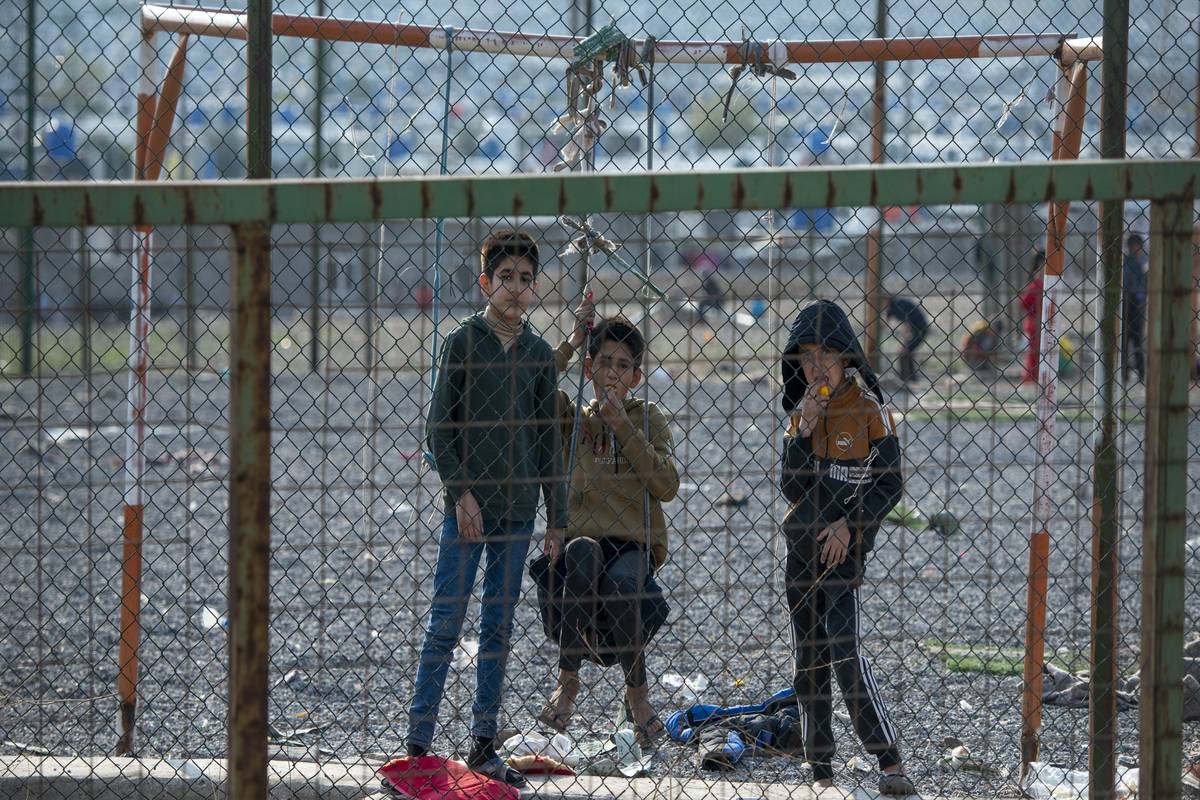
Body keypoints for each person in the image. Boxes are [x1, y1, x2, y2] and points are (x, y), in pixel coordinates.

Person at [406, 229, 566, 787]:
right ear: (485, 282)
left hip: (519, 512)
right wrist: (462, 494)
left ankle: (483, 743)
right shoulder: (463, 342)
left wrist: (558, 517)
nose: (516, 289)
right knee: (446, 620)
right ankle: (418, 744)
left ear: (536, 286)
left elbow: (549, 443)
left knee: (497, 626)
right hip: (468, 511)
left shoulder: (540, 355)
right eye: (505, 278)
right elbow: (439, 428)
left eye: (525, 280)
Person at [779, 301, 914, 797]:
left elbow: (889, 485)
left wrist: (849, 526)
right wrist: (806, 426)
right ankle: (821, 769)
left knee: (845, 652)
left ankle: (888, 760)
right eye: (808, 356)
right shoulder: (800, 419)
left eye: (827, 355)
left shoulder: (871, 412)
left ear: (849, 359)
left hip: (845, 556)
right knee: (808, 659)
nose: (817, 366)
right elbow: (790, 488)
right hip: (801, 556)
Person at [535, 314, 680, 747]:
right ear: (589, 368)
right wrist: (572, 341)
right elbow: (531, 388)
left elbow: (667, 484)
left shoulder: (648, 418)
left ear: (635, 377)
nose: (612, 373)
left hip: (632, 544)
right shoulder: (571, 418)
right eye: (603, 363)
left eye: (622, 365)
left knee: (621, 584)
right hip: (581, 542)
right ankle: (568, 681)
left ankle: (638, 694)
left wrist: (623, 427)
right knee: (581, 553)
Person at [884, 296, 929, 384]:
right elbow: (885, 323)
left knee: (904, 352)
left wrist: (905, 340)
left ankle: (907, 377)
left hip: (920, 329)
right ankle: (909, 377)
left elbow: (907, 322)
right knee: (906, 352)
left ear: (886, 300)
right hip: (913, 330)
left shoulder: (898, 305)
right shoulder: (890, 308)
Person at [1122, 233, 1148, 384]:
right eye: (1132, 246)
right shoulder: (1127, 262)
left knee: (1137, 341)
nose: (1135, 249)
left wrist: (1141, 300)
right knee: (1125, 341)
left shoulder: (1144, 262)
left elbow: (1143, 287)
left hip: (1137, 308)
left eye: (1137, 245)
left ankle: (1141, 374)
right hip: (1127, 305)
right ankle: (1125, 374)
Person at [1019, 250, 1046, 384]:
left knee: (1041, 352)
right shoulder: (1036, 284)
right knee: (1034, 353)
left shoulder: (1043, 283)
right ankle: (1030, 378)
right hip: (1034, 324)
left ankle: (1036, 378)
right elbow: (1024, 302)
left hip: (1041, 323)